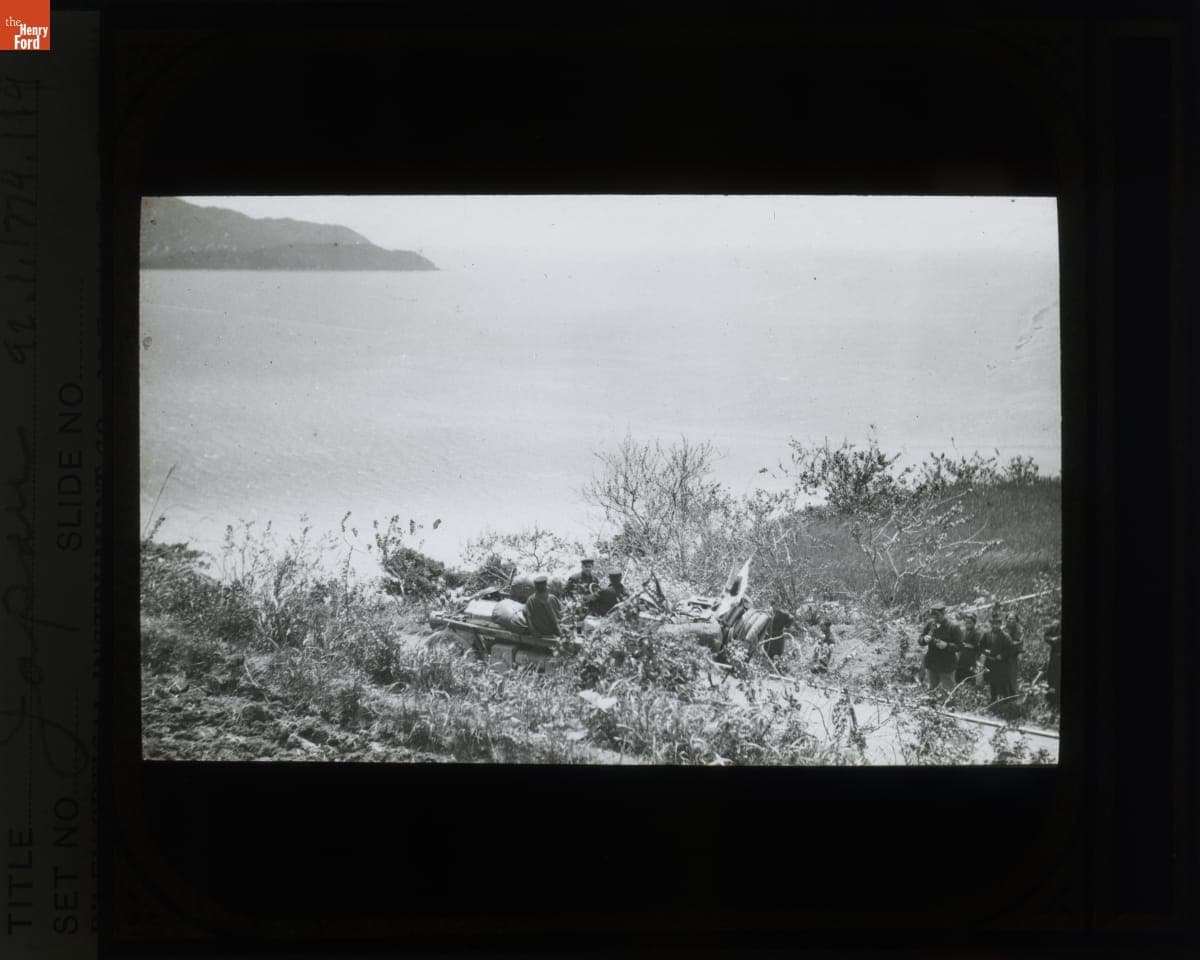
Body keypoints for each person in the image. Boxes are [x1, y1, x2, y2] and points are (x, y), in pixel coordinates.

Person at [918, 602, 961, 697]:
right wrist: (924, 639)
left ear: (943, 614)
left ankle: (949, 709)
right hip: (932, 664)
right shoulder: (930, 625)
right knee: (931, 690)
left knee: (949, 693)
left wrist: (947, 645)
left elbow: (960, 646)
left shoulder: (953, 627)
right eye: (933, 616)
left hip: (947, 665)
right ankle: (932, 708)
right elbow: (920, 640)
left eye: (937, 615)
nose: (935, 618)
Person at [980, 608, 1017, 705]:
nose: (995, 625)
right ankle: (993, 701)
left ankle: (1006, 702)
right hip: (990, 663)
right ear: (990, 624)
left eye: (997, 624)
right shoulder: (987, 634)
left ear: (1000, 624)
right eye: (993, 624)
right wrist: (986, 652)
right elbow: (981, 646)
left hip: (1001, 664)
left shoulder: (1005, 636)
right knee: (992, 682)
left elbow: (1010, 649)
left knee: (1003, 682)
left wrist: (1001, 655)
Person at [955, 612, 981, 686]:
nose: (967, 624)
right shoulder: (962, 632)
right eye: (966, 622)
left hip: (971, 660)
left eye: (970, 622)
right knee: (959, 680)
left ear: (974, 623)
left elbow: (979, 648)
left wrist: (970, 646)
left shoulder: (977, 633)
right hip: (961, 660)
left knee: (970, 679)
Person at [1043, 620, 1061, 708]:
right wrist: (1052, 639)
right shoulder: (1056, 624)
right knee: (1052, 677)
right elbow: (1046, 636)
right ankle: (1051, 701)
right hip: (1056, 656)